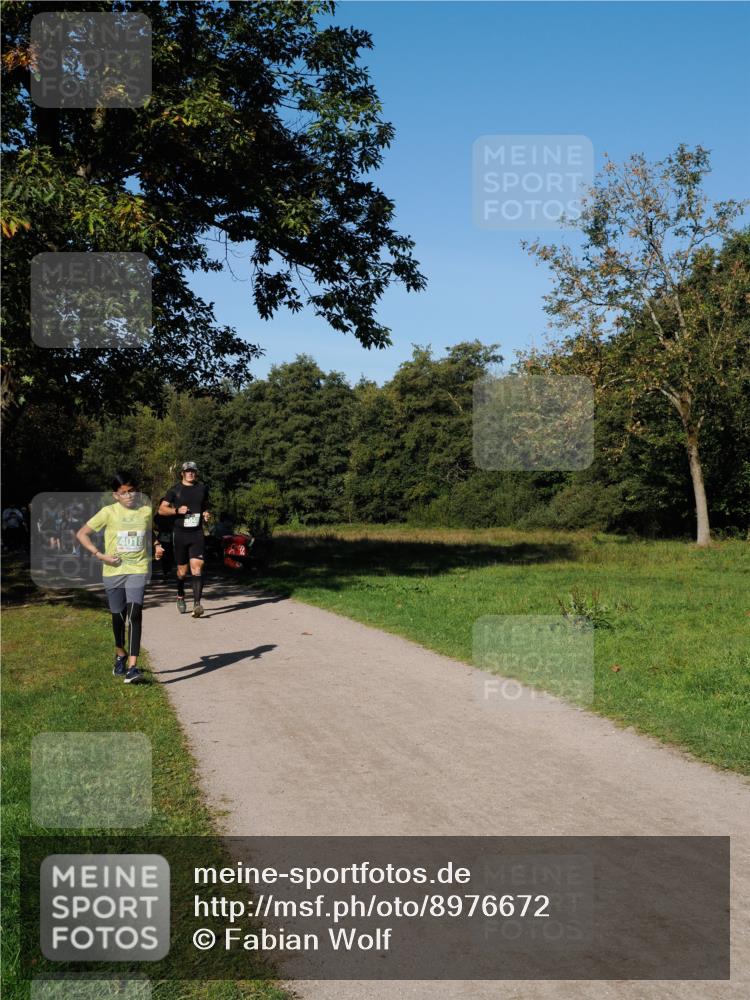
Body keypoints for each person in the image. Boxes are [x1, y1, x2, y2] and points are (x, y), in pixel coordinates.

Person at [76, 473, 163, 683]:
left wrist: (157, 545)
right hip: (113, 571)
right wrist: (100, 555)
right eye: (123, 492)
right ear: (116, 495)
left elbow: (148, 532)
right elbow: (82, 534)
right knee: (118, 616)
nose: (129, 495)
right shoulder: (108, 512)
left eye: (131, 491)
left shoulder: (144, 511)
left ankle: (133, 667)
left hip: (138, 569)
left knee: (135, 614)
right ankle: (120, 653)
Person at [159, 461, 211, 617]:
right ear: (182, 473)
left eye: (193, 471)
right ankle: (180, 594)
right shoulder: (174, 490)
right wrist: (176, 510)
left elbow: (205, 505)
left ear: (196, 473)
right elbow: (161, 510)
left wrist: (206, 513)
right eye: (188, 471)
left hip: (197, 533)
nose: (190, 473)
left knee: (197, 567)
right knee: (182, 572)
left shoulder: (202, 489)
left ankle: (197, 604)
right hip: (180, 534)